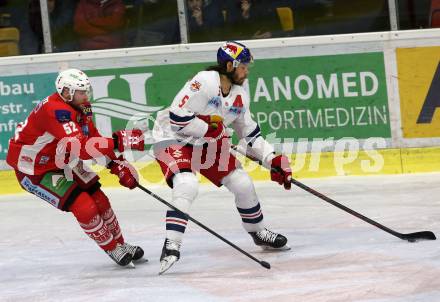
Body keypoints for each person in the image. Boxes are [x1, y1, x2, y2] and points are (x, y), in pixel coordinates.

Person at [152, 41, 292, 274]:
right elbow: (177, 117)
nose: (247, 71)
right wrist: (208, 128)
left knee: (242, 183)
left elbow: (250, 133)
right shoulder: (205, 81)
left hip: (206, 143)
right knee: (186, 184)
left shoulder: (240, 96)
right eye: (243, 66)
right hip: (172, 137)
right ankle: (172, 244)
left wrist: (272, 159)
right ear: (229, 65)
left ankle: (258, 232)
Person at [6, 68, 146, 267]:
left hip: (62, 159)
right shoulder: (54, 110)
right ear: (66, 92)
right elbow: (80, 147)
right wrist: (118, 141)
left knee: (100, 200)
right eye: (81, 92)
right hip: (34, 170)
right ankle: (112, 248)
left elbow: (92, 137)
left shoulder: (81, 106)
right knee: (84, 206)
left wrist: (115, 164)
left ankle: (121, 244)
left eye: (86, 91)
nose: (86, 96)